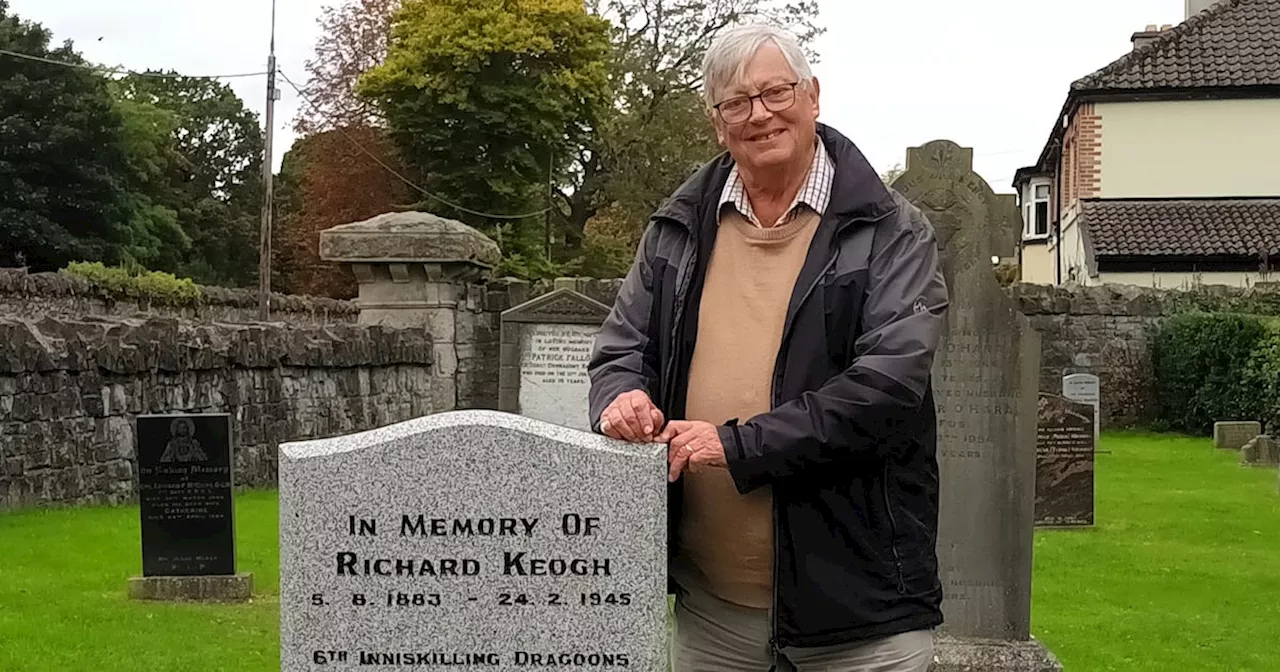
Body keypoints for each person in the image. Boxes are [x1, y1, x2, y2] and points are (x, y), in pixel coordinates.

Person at [586, 22, 949, 672]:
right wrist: (622, 399)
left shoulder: (892, 230)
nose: (759, 113)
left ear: (812, 95)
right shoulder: (675, 230)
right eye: (736, 102)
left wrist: (736, 444)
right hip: (712, 614)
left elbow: (886, 389)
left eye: (775, 91)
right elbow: (620, 349)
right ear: (716, 122)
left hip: (860, 623)